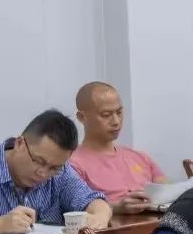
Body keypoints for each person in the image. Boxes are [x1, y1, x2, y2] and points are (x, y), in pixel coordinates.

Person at [0, 110, 111, 234]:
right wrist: (0, 225)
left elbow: (94, 201)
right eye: (38, 161)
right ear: (19, 144)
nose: (43, 173)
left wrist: (100, 217)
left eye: (53, 168)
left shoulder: (61, 172)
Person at [70, 82, 167, 215]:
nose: (116, 121)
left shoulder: (140, 157)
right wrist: (117, 207)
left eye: (119, 112)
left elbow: (167, 191)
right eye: (106, 115)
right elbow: (74, 211)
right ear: (82, 117)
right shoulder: (73, 165)